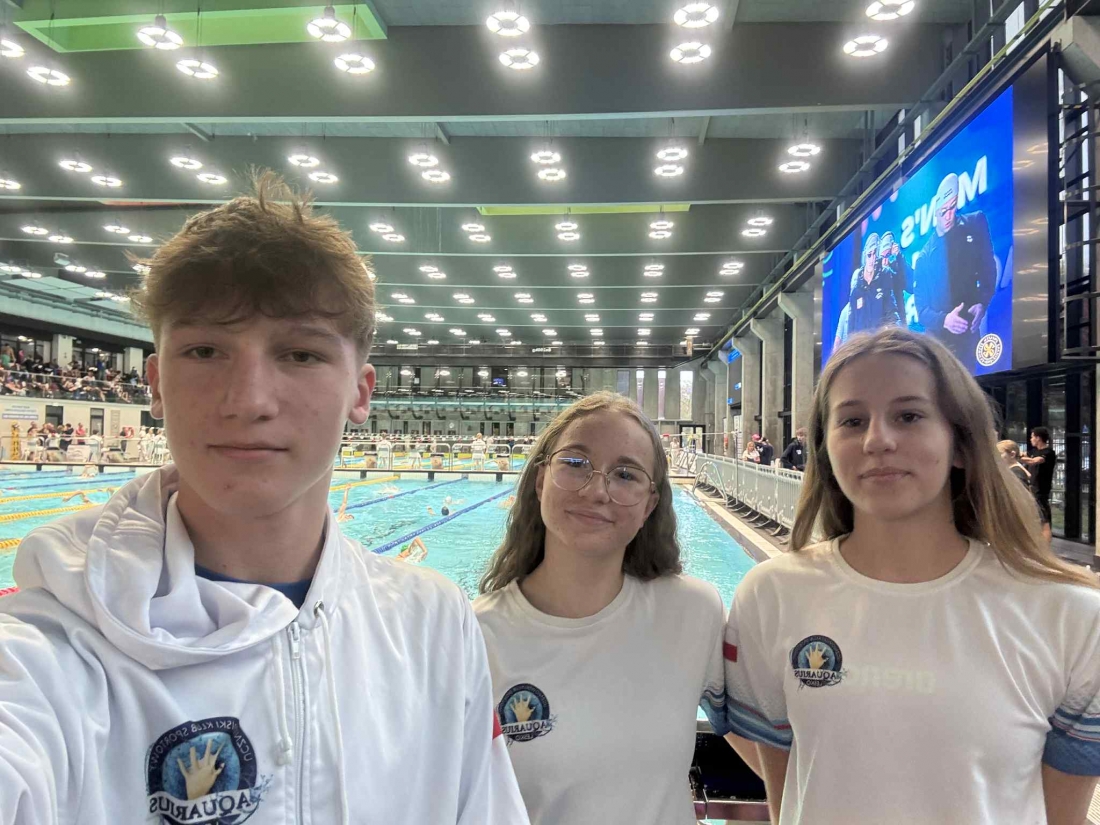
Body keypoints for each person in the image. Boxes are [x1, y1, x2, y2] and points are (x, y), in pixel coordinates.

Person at [0, 172, 528, 823]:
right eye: (205, 351)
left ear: (361, 392)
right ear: (156, 384)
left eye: (300, 355)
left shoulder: (435, 623)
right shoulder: (49, 650)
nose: (248, 400)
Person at [722, 327, 1100, 825]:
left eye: (909, 415)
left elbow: (1059, 815)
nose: (877, 440)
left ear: (960, 442)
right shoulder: (773, 595)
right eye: (852, 420)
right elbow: (791, 788)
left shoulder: (1069, 616)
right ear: (826, 450)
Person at [474, 392, 735, 825]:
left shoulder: (693, 612)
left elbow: (764, 736)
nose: (597, 490)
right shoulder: (475, 636)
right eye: (576, 463)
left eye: (626, 474)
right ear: (540, 481)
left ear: (650, 504)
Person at [912, 173, 997, 369]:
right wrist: (944, 320)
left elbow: (988, 267)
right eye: (943, 211)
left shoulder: (975, 224)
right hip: (939, 348)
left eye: (952, 208)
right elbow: (922, 311)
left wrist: (982, 302)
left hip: (969, 339)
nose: (949, 216)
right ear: (935, 213)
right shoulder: (925, 257)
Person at [848, 232, 904, 335]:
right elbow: (851, 323)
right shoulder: (856, 290)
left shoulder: (884, 280)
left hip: (877, 340)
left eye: (875, 255)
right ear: (865, 256)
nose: (872, 259)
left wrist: (897, 332)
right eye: (869, 255)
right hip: (861, 342)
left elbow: (891, 311)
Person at [1020, 425, 1058, 543]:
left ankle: (1046, 543)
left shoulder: (1048, 452)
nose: (1031, 439)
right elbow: (1024, 455)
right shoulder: (1034, 451)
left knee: (1043, 517)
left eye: (1032, 437)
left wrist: (1016, 457)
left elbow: (1034, 461)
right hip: (1031, 487)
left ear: (1038, 438)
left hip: (1041, 489)